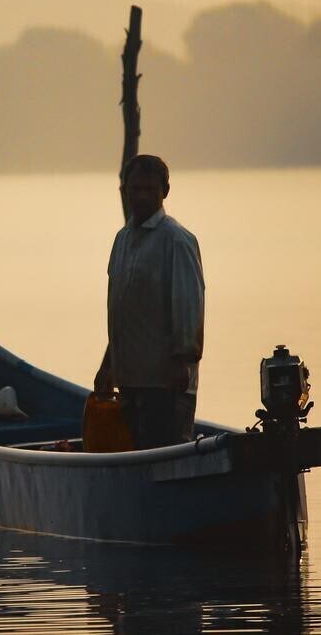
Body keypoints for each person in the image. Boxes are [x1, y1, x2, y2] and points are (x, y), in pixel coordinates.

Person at [93, 154, 205, 449]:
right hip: (130, 379)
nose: (141, 197)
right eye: (135, 189)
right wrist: (108, 366)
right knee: (134, 457)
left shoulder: (176, 240)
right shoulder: (122, 240)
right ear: (124, 191)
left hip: (166, 383)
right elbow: (122, 312)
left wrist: (183, 362)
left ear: (164, 192)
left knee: (165, 457)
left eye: (149, 190)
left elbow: (188, 307)